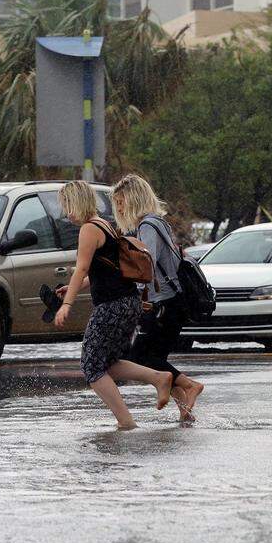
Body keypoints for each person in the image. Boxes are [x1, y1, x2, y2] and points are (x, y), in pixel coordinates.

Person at [53, 180, 173, 430]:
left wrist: (67, 303)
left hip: (112, 305)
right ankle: (158, 377)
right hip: (127, 302)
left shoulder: (89, 228)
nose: (66, 212)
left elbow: (82, 268)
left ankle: (126, 421)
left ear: (79, 202)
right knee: (108, 362)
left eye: (68, 205)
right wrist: (81, 286)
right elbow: (103, 269)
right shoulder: (104, 224)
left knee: (91, 367)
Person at [111, 174, 204, 422]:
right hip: (172, 302)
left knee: (140, 357)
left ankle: (190, 385)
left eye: (121, 202)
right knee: (156, 360)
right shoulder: (158, 222)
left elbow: (145, 263)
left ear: (134, 199)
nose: (118, 208)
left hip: (163, 303)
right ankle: (185, 408)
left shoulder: (147, 226)